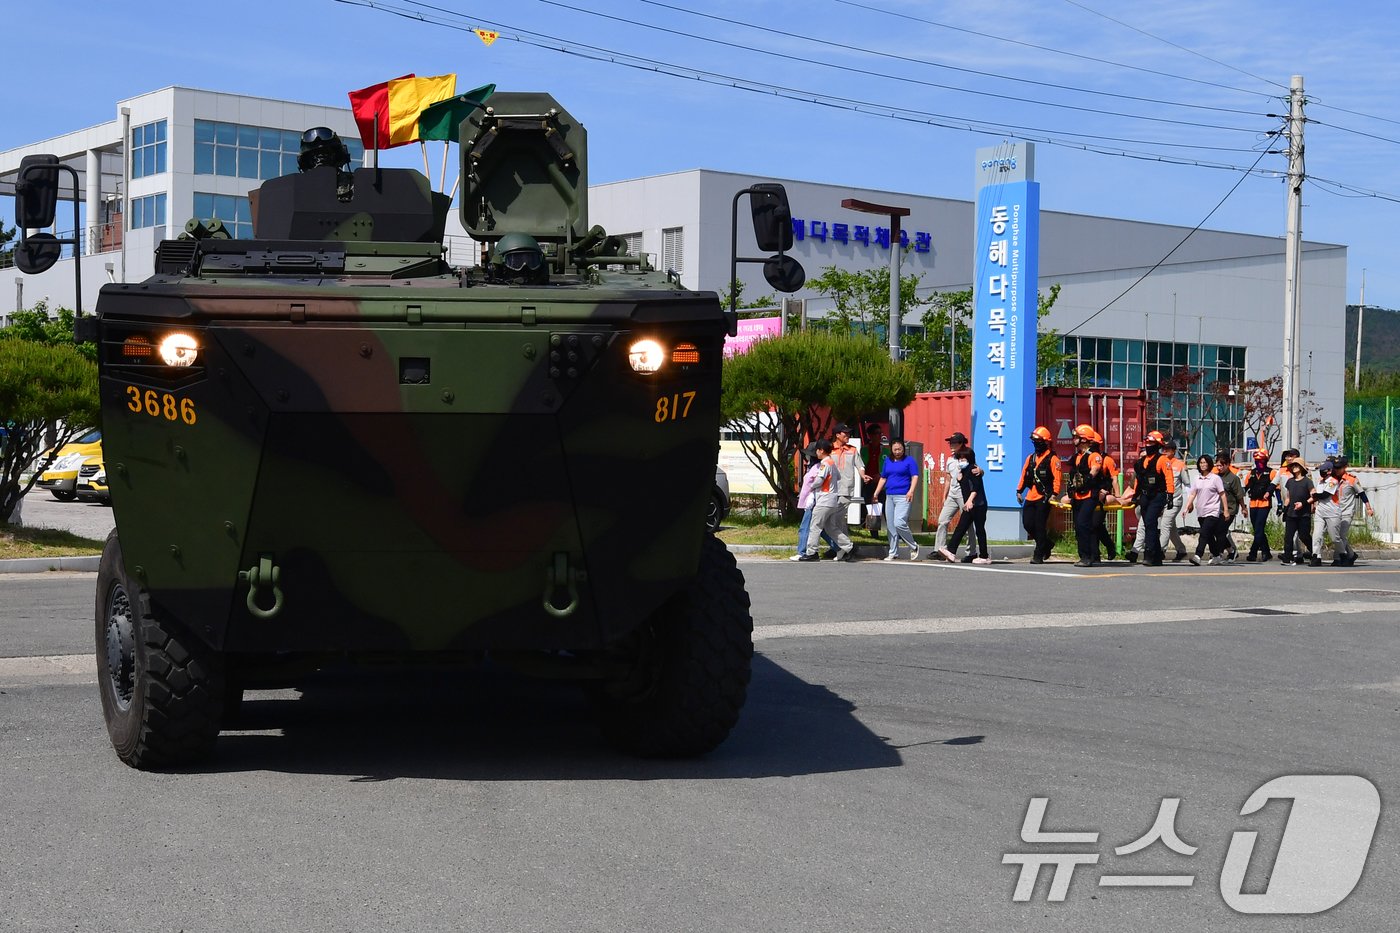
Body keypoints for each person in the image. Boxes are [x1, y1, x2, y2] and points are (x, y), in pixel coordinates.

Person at [1118, 430, 1175, 566]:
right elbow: (1139, 480)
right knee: (1150, 525)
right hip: (1144, 496)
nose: (1148, 445)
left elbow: (1169, 478)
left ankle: (1149, 553)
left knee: (1150, 522)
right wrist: (1135, 496)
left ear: (1157, 445)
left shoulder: (1162, 460)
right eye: (1147, 442)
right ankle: (1156, 557)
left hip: (1158, 495)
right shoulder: (1141, 462)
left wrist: (1170, 496)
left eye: (1151, 443)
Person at [798, 439, 854, 562]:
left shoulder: (824, 464)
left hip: (824, 499)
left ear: (821, 450)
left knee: (815, 526)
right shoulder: (832, 463)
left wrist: (811, 486)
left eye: (817, 450)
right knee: (830, 528)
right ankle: (848, 547)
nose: (816, 453)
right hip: (833, 499)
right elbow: (838, 477)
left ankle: (812, 552)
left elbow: (819, 480)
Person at [1059, 424, 1105, 568]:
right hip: (1077, 497)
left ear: (1084, 439)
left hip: (1090, 496)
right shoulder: (1078, 457)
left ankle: (1087, 557)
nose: (1074, 440)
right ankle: (1084, 556)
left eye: (1077, 437)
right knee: (1078, 527)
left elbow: (1095, 469)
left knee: (1083, 524)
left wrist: (1086, 479)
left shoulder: (1094, 456)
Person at [1016, 426, 1062, 564]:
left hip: (1044, 497)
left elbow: (1057, 478)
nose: (1036, 444)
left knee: (1039, 525)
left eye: (1038, 441)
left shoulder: (1053, 459)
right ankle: (1047, 543)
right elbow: (1024, 475)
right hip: (1031, 496)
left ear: (1045, 442)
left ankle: (1039, 553)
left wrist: (1054, 494)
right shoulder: (1031, 458)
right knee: (1028, 524)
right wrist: (1019, 491)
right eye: (1034, 441)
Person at [872, 439, 921, 561]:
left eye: (900, 449)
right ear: (891, 449)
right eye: (895, 449)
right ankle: (893, 552)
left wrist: (911, 491)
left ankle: (913, 546)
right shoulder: (888, 460)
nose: (898, 452)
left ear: (903, 449)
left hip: (903, 496)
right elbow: (883, 477)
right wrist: (876, 493)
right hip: (889, 495)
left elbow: (915, 476)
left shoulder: (909, 461)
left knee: (899, 522)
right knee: (890, 526)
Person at [941, 448, 990, 564]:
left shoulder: (973, 469)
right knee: (961, 527)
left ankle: (984, 556)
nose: (961, 461)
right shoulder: (963, 471)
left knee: (979, 529)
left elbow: (976, 487)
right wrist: (960, 480)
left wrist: (969, 501)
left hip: (978, 504)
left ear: (969, 459)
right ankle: (951, 552)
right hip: (970, 505)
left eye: (963, 458)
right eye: (959, 459)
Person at [790, 443, 833, 561]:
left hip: (812, 501)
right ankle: (838, 547)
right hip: (809, 500)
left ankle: (801, 551)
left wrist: (812, 496)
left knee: (805, 527)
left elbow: (816, 483)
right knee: (819, 528)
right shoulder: (812, 466)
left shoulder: (818, 467)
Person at [1184, 453, 1229, 565]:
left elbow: (1222, 494)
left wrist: (1226, 510)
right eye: (1201, 463)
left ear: (1209, 464)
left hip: (1212, 511)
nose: (1203, 465)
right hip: (1201, 512)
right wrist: (1187, 507)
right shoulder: (1197, 479)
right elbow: (1193, 494)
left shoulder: (1215, 478)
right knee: (1208, 536)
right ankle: (1217, 556)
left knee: (1203, 533)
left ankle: (1198, 555)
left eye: (1205, 462)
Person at [830, 422, 872, 539]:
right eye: (845, 433)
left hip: (846, 489)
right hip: (830, 489)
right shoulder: (829, 448)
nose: (848, 435)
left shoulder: (852, 450)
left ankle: (844, 546)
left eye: (849, 433)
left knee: (838, 517)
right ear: (837, 435)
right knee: (834, 519)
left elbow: (860, 465)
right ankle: (840, 546)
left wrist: (863, 476)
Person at [1330, 458, 1374, 566]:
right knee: (1337, 536)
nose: (1337, 470)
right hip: (1334, 511)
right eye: (1335, 468)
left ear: (1345, 468)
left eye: (1339, 468)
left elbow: (1362, 494)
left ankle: (1338, 558)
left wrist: (1368, 508)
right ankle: (1351, 554)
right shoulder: (1331, 479)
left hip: (1347, 512)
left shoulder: (1351, 480)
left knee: (1341, 535)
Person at [934, 431, 969, 560]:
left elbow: (976, 470)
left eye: (954, 442)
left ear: (961, 443)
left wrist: (980, 471)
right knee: (942, 521)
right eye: (950, 442)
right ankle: (939, 550)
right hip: (952, 495)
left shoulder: (967, 456)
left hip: (964, 495)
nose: (951, 444)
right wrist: (945, 495)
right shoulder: (950, 459)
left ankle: (970, 552)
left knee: (967, 524)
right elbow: (948, 478)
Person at [1279, 458, 1315, 565]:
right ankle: (1287, 557)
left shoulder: (1307, 481)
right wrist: (1284, 510)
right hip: (1291, 513)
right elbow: (1288, 498)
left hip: (1304, 514)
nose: (1294, 468)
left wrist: (1303, 504)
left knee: (1304, 535)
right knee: (1288, 536)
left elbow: (1314, 496)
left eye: (1297, 465)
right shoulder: (1290, 481)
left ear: (1302, 468)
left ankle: (1314, 551)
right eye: (1293, 466)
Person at [1091, 434, 1121, 561]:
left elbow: (1114, 479)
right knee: (1094, 525)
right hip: (1088, 495)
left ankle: (1097, 553)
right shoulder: (1084, 458)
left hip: (1102, 496)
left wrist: (1118, 496)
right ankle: (1107, 547)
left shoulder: (1106, 460)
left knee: (1095, 524)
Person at [1244, 449, 1277, 562]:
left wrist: (1281, 504)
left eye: (1261, 460)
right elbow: (1245, 488)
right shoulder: (1251, 473)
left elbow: (1276, 489)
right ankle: (1266, 552)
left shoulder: (1271, 473)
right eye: (1257, 461)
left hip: (1265, 504)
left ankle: (1252, 553)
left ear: (1266, 461)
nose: (1259, 463)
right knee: (1258, 529)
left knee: (1259, 528)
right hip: (1253, 503)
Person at [1308, 460, 1341, 567]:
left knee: (1334, 537)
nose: (1321, 472)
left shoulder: (1333, 481)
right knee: (1317, 534)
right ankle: (1316, 556)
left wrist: (1315, 496)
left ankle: (1343, 554)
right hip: (1320, 511)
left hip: (1332, 512)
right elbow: (1317, 495)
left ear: (1329, 471)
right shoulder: (1320, 481)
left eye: (1323, 470)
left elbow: (1325, 495)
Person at [1214, 449, 1245, 563]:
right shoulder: (1215, 477)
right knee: (1217, 531)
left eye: (1222, 465)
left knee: (1221, 531)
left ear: (1227, 465)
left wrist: (1244, 508)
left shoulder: (1233, 478)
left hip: (1230, 509)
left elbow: (1239, 495)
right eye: (1217, 465)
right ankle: (1231, 551)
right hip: (1217, 509)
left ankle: (1219, 554)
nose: (1219, 467)